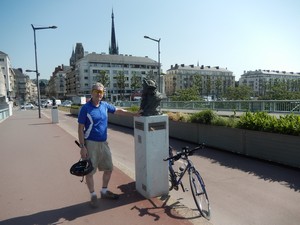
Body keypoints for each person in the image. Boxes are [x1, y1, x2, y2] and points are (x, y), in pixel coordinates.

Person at [77, 82, 138, 207]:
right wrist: (83, 147)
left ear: (103, 94)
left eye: (101, 92)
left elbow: (118, 111)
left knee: (109, 168)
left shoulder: (104, 105)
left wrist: (134, 114)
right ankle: (93, 195)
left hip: (104, 143)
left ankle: (104, 191)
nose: (99, 94)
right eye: (96, 92)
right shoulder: (85, 108)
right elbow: (80, 128)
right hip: (91, 143)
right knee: (89, 171)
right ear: (91, 93)